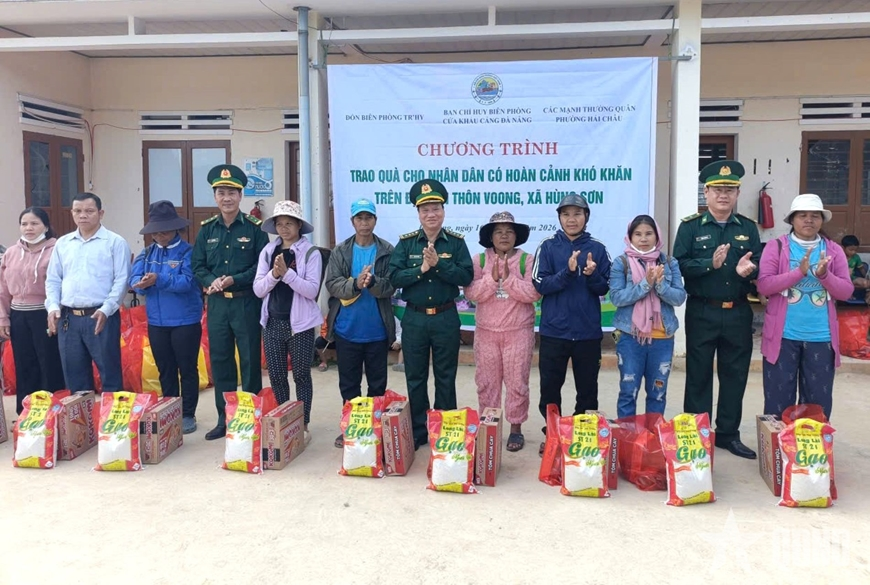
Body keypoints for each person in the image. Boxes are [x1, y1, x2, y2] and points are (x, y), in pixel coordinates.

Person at [673, 160, 762, 459]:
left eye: (730, 190)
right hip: (703, 310)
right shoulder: (690, 227)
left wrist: (749, 270)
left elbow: (759, 264)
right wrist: (709, 264)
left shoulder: (747, 228)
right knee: (698, 374)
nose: (724, 195)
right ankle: (697, 433)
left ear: (737, 194)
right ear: (706, 193)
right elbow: (679, 265)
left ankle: (727, 434)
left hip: (738, 311)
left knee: (734, 375)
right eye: (717, 190)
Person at [388, 179, 473, 449]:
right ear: (418, 213)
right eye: (425, 210)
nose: (431, 214)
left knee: (446, 376)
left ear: (443, 211)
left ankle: (444, 429)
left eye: (436, 208)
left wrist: (438, 265)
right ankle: (418, 430)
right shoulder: (406, 244)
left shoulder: (456, 243)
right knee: (415, 377)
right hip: (415, 319)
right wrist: (422, 269)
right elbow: (394, 277)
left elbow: (466, 276)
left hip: (446, 317)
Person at [756, 194, 853, 420]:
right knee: (778, 402)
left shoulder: (833, 250)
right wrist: (798, 273)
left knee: (817, 404)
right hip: (783, 337)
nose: (809, 220)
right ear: (792, 219)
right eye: (802, 215)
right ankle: (779, 444)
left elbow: (846, 292)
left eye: (815, 215)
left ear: (822, 220)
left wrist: (824, 275)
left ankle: (810, 443)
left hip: (821, 337)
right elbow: (764, 285)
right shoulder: (776, 247)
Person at [192, 165, 269, 440]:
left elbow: (261, 267)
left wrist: (234, 280)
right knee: (221, 361)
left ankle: (250, 419)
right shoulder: (206, 230)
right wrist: (211, 280)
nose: (227, 198)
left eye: (232, 193)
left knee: (250, 362)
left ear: (240, 196)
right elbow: (197, 265)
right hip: (217, 306)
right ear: (215, 196)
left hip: (245, 303)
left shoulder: (255, 229)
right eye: (221, 193)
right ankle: (224, 419)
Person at [532, 193, 611, 455]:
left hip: (587, 333)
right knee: (550, 389)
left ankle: (582, 437)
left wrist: (592, 275)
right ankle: (553, 436)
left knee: (587, 390)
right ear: (559, 218)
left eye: (577, 214)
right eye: (566, 214)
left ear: (586, 217)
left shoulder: (598, 248)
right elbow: (540, 284)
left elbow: (605, 287)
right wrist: (566, 273)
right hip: (554, 332)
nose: (571, 219)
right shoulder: (547, 246)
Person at [464, 211, 540, 452]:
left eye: (509, 231)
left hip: (518, 332)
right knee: (487, 383)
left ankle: (516, 429)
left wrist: (508, 280)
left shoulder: (526, 260)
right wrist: (491, 279)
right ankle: (489, 427)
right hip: (486, 332)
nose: (504, 236)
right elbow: (471, 293)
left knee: (517, 382)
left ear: (516, 236)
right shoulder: (480, 260)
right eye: (498, 231)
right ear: (490, 236)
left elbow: (534, 293)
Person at [325, 198, 396, 448]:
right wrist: (355, 284)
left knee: (377, 385)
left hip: (377, 331)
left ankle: (373, 431)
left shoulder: (387, 250)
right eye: (359, 218)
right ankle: (351, 428)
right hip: (347, 330)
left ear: (375, 221)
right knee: (349, 385)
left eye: (368, 218)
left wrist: (373, 282)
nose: (364, 223)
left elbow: (392, 286)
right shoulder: (341, 251)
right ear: (352, 221)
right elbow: (332, 284)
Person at [45, 193, 131, 394]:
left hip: (101, 316)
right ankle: (82, 415)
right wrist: (53, 307)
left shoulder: (115, 242)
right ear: (72, 213)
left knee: (110, 375)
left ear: (101, 213)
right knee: (75, 379)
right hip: (68, 318)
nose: (83, 215)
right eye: (78, 211)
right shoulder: (63, 243)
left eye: (89, 211)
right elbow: (53, 279)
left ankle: (111, 414)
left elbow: (121, 280)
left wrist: (107, 309)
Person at [130, 201, 203, 434]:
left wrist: (158, 279)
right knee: (165, 368)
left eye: (165, 231)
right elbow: (134, 280)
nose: (160, 236)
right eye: (156, 232)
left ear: (176, 229)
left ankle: (188, 413)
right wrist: (141, 284)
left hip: (185, 321)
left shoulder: (188, 252)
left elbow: (187, 282)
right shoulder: (146, 253)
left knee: (187, 368)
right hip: (156, 322)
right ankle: (171, 410)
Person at [253, 200, 322, 445]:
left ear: (299, 225)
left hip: (300, 325)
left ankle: (303, 423)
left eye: (289, 223)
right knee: (277, 375)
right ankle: (284, 420)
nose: (284, 228)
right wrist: (274, 274)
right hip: (272, 322)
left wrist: (287, 274)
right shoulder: (268, 251)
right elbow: (258, 289)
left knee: (301, 375)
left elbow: (311, 290)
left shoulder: (311, 253)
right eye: (280, 224)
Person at [609, 215, 686, 419]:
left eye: (648, 233)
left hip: (662, 338)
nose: (643, 238)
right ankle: (628, 435)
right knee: (628, 391)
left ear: (657, 236)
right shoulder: (621, 263)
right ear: (630, 237)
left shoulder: (669, 262)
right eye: (638, 234)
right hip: (630, 337)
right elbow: (617, 298)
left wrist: (660, 286)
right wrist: (646, 284)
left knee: (657, 393)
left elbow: (679, 297)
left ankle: (652, 434)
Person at [0, 208, 66, 413]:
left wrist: (57, 312)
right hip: (18, 315)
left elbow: (62, 284)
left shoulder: (57, 250)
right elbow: (2, 289)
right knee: (24, 364)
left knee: (49, 362)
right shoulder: (11, 252)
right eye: (24, 224)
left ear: (45, 226)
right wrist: (3, 318)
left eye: (34, 223)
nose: (29, 228)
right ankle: (26, 413)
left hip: (45, 314)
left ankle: (51, 413)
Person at [841, 235, 870, 304]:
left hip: (852, 279)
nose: (853, 252)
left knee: (866, 283)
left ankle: (867, 296)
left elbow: (861, 269)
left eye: (855, 250)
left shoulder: (856, 257)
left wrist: (866, 277)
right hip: (840, 280)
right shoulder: (839, 256)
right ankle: (847, 293)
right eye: (851, 250)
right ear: (843, 248)